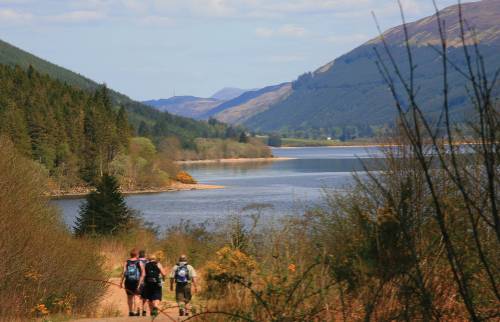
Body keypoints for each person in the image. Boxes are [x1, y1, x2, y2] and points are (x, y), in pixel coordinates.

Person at [120, 248, 145, 317]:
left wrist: (121, 282)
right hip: (137, 282)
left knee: (129, 297)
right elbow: (143, 274)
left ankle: (130, 312)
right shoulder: (139, 262)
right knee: (137, 296)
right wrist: (140, 283)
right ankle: (135, 311)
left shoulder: (126, 262)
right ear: (137, 255)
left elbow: (124, 273)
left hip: (128, 282)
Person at [143, 253, 167, 317]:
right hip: (157, 283)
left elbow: (144, 274)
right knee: (157, 296)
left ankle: (151, 312)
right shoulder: (158, 264)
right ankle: (155, 307)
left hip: (148, 283)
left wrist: (143, 282)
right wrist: (163, 279)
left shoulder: (146, 265)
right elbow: (164, 274)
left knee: (150, 298)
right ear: (155, 258)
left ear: (149, 259)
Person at [138, 250, 149, 316]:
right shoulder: (147, 262)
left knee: (138, 297)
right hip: (146, 281)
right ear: (144, 255)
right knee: (145, 298)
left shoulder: (136, 261)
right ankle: (144, 312)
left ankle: (138, 310)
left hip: (138, 281)